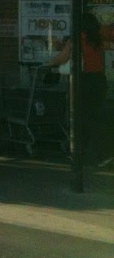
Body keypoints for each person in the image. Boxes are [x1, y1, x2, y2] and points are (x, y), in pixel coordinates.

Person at [48, 12, 108, 164]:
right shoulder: (97, 39)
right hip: (99, 80)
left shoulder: (76, 39)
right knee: (94, 116)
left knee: (80, 117)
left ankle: (81, 153)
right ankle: (98, 153)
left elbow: (62, 58)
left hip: (84, 80)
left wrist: (50, 63)